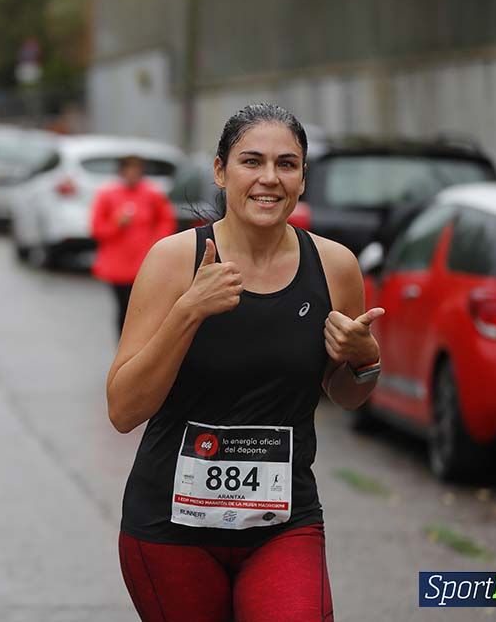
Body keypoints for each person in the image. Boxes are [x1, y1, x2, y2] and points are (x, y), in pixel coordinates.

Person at [106, 103, 385, 622]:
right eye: (251, 161)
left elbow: (346, 393)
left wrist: (365, 360)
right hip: (170, 528)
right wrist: (189, 311)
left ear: (303, 178)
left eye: (287, 164)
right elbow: (123, 409)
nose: (269, 179)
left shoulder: (334, 266)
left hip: (283, 523)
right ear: (220, 171)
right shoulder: (173, 261)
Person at [90, 155, 176, 335]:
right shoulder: (107, 195)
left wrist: (156, 243)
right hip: (117, 265)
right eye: (128, 170)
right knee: (123, 308)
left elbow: (166, 221)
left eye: (136, 171)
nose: (132, 175)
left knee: (143, 309)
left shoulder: (152, 194)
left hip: (143, 263)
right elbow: (97, 229)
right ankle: (123, 347)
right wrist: (116, 224)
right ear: (121, 172)